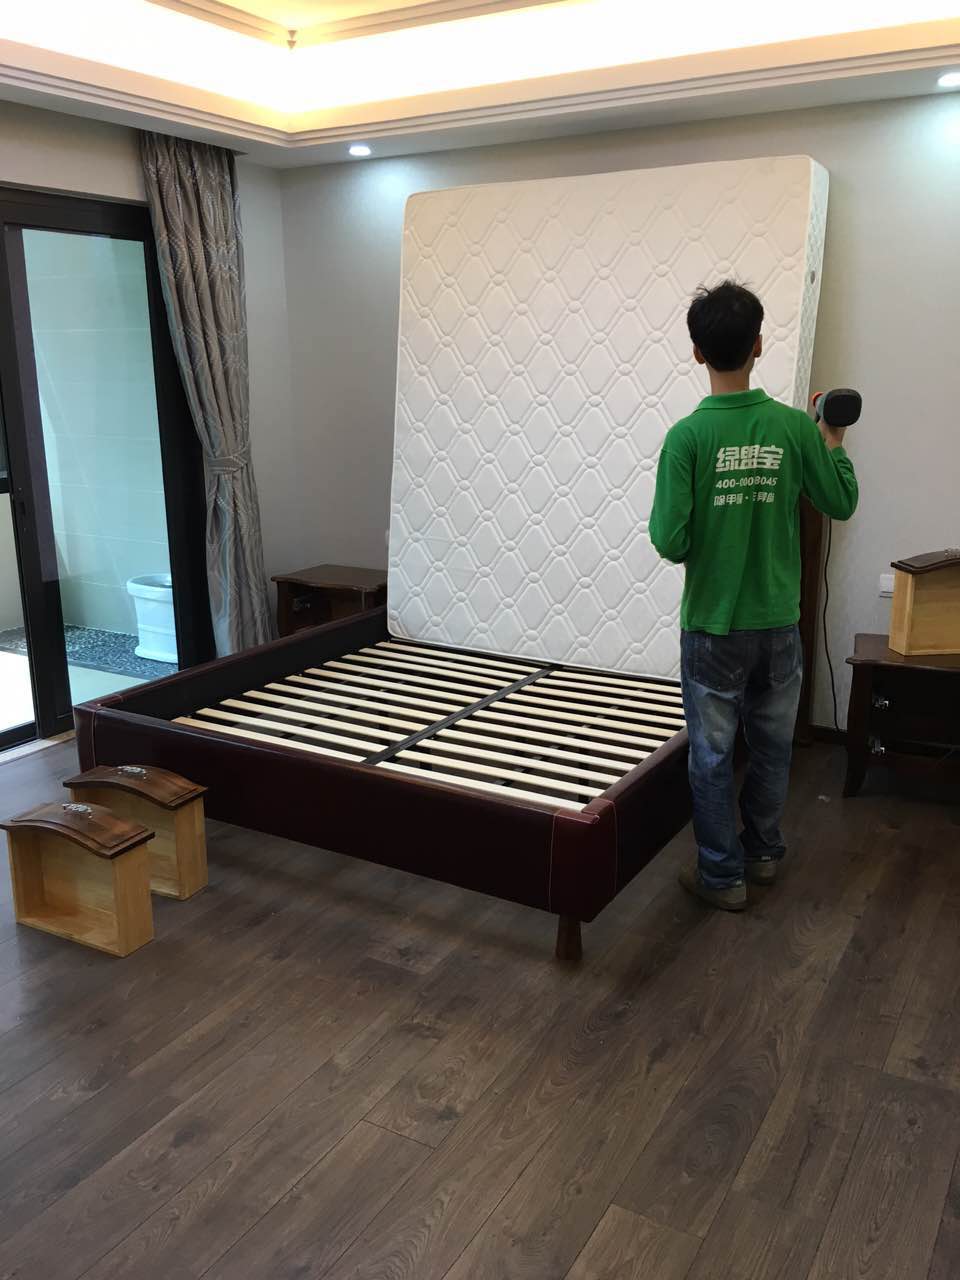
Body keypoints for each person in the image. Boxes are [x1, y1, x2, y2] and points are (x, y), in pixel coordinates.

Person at [648, 281, 858, 911]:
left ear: (696, 352)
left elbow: (670, 541)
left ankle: (722, 877)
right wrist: (834, 442)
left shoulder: (687, 437)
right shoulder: (794, 428)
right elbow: (840, 501)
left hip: (713, 629)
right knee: (772, 747)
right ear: (759, 344)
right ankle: (763, 854)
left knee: (712, 757)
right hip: (778, 626)